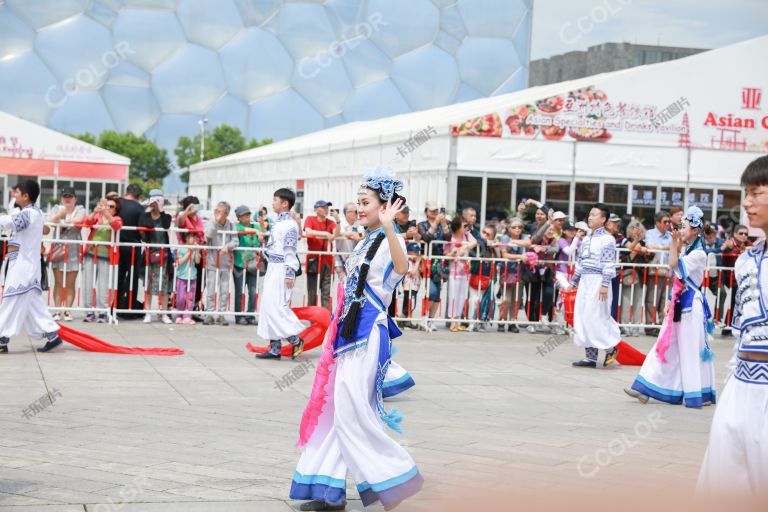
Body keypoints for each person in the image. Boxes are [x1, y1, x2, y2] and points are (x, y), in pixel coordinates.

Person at [290, 167, 422, 511]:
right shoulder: (365, 239)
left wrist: (392, 226)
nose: (359, 208)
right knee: (336, 411)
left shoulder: (390, 239)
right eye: (358, 203)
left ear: (385, 206)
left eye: (365, 203)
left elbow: (402, 266)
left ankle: (397, 478)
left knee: (352, 412)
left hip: (368, 335)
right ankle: (328, 491)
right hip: (348, 335)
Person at [698, 155, 768, 493]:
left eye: (756, 193)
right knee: (726, 479)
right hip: (743, 384)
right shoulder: (746, 261)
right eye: (746, 193)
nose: (747, 202)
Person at [624, 206, 716, 407]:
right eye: (680, 226)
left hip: (691, 306)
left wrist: (674, 243)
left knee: (689, 350)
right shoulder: (690, 248)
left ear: (695, 230)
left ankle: (698, 393)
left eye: (683, 227)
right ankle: (644, 387)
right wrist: (668, 300)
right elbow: (677, 278)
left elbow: (674, 264)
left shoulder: (698, 253)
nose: (679, 230)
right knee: (664, 346)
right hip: (680, 302)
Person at [0, 180, 64, 353]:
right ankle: (52, 335)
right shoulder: (30, 212)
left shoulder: (30, 213)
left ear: (26, 196)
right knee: (32, 305)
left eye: (17, 192)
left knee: (10, 302)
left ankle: (1, 340)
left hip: (23, 267)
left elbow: (11, 222)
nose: (14, 195)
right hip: (23, 265)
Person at [569, 203, 621, 368]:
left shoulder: (608, 239)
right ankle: (590, 357)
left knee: (595, 317)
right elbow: (580, 262)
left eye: (594, 215)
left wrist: (605, 284)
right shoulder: (586, 239)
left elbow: (608, 264)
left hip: (599, 282)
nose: (590, 217)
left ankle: (610, 348)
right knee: (583, 316)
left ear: (603, 219)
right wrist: (573, 282)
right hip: (585, 281)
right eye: (589, 214)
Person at [256, 189, 305, 360]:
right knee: (268, 306)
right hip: (273, 267)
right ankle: (275, 348)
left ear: (284, 203)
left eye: (275, 199)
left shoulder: (290, 225)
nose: (273, 203)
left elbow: (290, 250)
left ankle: (295, 339)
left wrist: (290, 273)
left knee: (276, 307)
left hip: (282, 269)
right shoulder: (278, 223)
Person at [45, 187, 85, 321]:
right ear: (61, 198)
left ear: (75, 198)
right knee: (57, 282)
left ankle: (67, 310)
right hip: (58, 250)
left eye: (70, 197)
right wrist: (63, 213)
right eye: (65, 197)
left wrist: (63, 222)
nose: (67, 199)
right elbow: (51, 220)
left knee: (70, 283)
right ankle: (57, 311)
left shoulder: (80, 209)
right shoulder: (57, 208)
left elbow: (80, 220)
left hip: (73, 249)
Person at [82, 196, 123, 323]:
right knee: (88, 284)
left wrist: (106, 214)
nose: (108, 208)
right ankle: (89, 311)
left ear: (116, 210)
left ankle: (103, 312)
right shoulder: (98, 217)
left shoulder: (116, 218)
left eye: (111, 207)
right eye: (107, 205)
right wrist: (95, 211)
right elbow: (87, 222)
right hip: (90, 254)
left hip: (106, 257)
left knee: (104, 286)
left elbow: (117, 226)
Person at [138, 190, 173, 324]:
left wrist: (159, 211)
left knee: (164, 286)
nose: (155, 204)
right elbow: (142, 231)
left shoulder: (166, 216)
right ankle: (147, 313)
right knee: (148, 285)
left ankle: (163, 313)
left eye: (157, 201)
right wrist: (149, 209)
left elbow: (166, 225)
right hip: (149, 254)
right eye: (153, 201)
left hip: (164, 255)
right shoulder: (145, 216)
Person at [203, 201, 239, 326]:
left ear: (226, 214)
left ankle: (221, 314)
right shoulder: (211, 223)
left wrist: (227, 247)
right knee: (211, 289)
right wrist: (215, 221)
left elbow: (235, 241)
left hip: (225, 263)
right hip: (212, 262)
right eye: (216, 210)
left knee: (224, 290)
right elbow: (208, 235)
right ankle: (209, 314)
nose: (217, 213)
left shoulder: (231, 225)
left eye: (220, 211)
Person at [417, 201, 451, 332]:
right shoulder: (422, 225)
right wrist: (436, 223)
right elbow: (426, 238)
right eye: (431, 210)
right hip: (427, 261)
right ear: (426, 212)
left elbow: (448, 238)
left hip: (440, 262)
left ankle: (430, 319)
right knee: (430, 290)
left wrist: (443, 224)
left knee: (437, 292)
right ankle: (424, 317)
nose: (434, 213)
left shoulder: (445, 223)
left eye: (436, 210)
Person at [115, 184, 145, 318]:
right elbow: (141, 230)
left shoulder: (118, 203)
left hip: (117, 244)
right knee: (132, 277)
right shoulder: (139, 208)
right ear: (138, 196)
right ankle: (130, 307)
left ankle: (115, 305)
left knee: (118, 277)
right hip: (133, 246)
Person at [620, 220, 653, 336]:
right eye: (634, 228)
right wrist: (635, 250)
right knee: (626, 301)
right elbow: (624, 260)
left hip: (640, 276)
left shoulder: (644, 244)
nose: (637, 231)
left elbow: (649, 258)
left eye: (639, 229)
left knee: (638, 302)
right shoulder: (625, 243)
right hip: (627, 276)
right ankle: (624, 326)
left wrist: (645, 252)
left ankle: (635, 326)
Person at [304, 199, 336, 311]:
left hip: (327, 261)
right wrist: (326, 234)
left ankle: (326, 320)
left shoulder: (331, 222)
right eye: (324, 207)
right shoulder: (310, 219)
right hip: (314, 260)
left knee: (326, 293)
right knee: (312, 292)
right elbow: (308, 232)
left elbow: (336, 233)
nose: (327, 210)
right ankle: (312, 319)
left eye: (327, 207)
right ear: (317, 209)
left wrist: (338, 220)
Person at [233, 205, 262, 325]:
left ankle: (250, 314)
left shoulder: (256, 226)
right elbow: (240, 231)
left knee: (253, 290)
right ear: (239, 217)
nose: (248, 216)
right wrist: (256, 231)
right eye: (245, 214)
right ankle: (239, 316)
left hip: (253, 263)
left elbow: (262, 237)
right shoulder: (237, 226)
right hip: (239, 263)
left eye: (249, 214)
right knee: (239, 291)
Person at [498, 218, 529, 333]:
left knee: (516, 299)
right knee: (506, 299)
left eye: (520, 227)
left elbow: (528, 243)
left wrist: (514, 242)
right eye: (514, 227)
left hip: (520, 273)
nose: (517, 229)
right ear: (509, 228)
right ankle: (502, 320)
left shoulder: (524, 236)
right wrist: (520, 257)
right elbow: (504, 254)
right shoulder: (505, 238)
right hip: (507, 272)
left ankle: (512, 322)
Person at [644, 211, 672, 336]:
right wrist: (664, 248)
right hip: (655, 270)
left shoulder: (671, 235)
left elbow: (676, 248)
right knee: (652, 299)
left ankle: (662, 325)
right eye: (665, 221)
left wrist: (661, 248)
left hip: (668, 271)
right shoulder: (650, 233)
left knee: (665, 300)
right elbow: (650, 246)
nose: (668, 224)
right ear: (657, 222)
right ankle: (650, 325)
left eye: (669, 221)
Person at [720, 224, 752, 336]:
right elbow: (724, 255)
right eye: (741, 233)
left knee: (738, 303)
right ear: (734, 234)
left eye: (746, 234)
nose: (744, 236)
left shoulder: (748, 244)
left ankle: (729, 327)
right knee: (732, 302)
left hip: (742, 280)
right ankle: (726, 326)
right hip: (727, 278)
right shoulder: (729, 244)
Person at [176, 195, 205, 313]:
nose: (195, 209)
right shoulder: (183, 217)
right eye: (193, 207)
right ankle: (181, 309)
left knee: (197, 282)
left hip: (197, 253)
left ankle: (193, 307)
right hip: (185, 254)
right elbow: (180, 221)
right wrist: (186, 212)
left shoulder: (198, 217)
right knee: (183, 283)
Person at [447, 216, 476, 332]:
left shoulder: (467, 236)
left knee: (461, 296)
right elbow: (446, 253)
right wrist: (454, 253)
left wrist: (465, 246)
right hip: (454, 270)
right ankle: (452, 322)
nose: (466, 228)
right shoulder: (451, 237)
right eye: (464, 226)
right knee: (453, 296)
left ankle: (458, 321)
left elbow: (474, 242)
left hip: (465, 271)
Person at [467, 224, 498, 332]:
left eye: (488, 234)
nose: (484, 235)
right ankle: (472, 323)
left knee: (486, 301)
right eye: (483, 232)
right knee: (474, 300)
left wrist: (496, 247)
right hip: (476, 276)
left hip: (489, 278)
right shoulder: (477, 244)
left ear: (492, 237)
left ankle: (482, 322)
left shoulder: (494, 248)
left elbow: (499, 259)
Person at [174, 231, 202, 324]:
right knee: (180, 298)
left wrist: (197, 251)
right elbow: (180, 261)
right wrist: (190, 252)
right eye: (192, 237)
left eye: (195, 237)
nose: (194, 239)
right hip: (181, 276)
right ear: (186, 238)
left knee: (190, 297)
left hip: (192, 276)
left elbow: (197, 261)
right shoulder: (181, 248)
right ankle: (179, 315)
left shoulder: (195, 248)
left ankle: (187, 316)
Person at [332, 202, 362, 283]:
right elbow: (337, 234)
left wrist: (357, 235)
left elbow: (362, 234)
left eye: (357, 211)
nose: (357, 214)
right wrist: (351, 234)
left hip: (355, 261)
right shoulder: (340, 223)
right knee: (345, 284)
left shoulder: (359, 223)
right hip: (341, 260)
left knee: (354, 285)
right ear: (347, 213)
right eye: (355, 212)